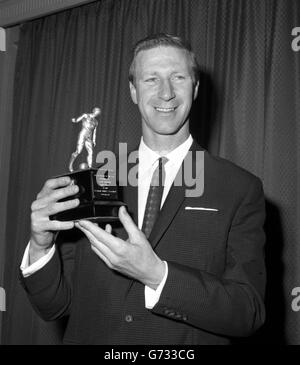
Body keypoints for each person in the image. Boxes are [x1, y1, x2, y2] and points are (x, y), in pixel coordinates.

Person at [20, 34, 266, 345]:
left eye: (178, 77)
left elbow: (248, 311)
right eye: (151, 79)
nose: (166, 93)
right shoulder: (94, 183)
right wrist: (41, 246)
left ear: (196, 88)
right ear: (134, 91)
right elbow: (54, 305)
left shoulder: (239, 189)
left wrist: (156, 275)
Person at [68, 107, 100, 172]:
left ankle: (90, 168)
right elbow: (78, 119)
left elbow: (94, 132)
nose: (98, 113)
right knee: (78, 151)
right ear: (94, 111)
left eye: (98, 112)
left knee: (91, 152)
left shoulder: (96, 122)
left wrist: (94, 140)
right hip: (83, 134)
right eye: (97, 111)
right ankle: (70, 165)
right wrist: (74, 120)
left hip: (89, 137)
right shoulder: (86, 115)